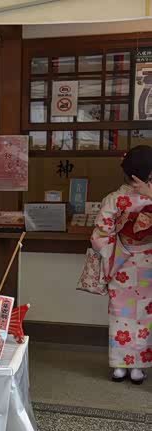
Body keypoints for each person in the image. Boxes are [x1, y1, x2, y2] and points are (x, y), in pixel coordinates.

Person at [91, 145, 152, 385]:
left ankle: (119, 366)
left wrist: (115, 253)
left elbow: (100, 235)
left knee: (120, 314)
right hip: (148, 262)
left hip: (121, 262)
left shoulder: (114, 199)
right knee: (144, 316)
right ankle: (136, 367)